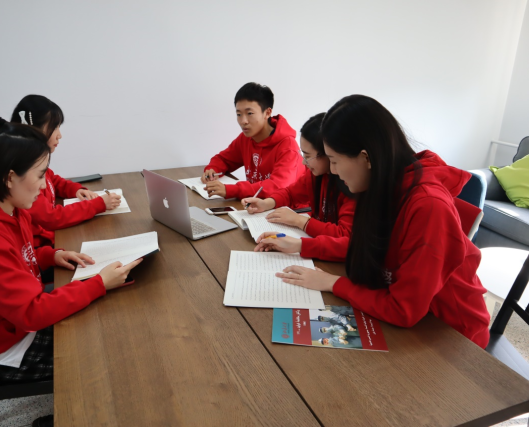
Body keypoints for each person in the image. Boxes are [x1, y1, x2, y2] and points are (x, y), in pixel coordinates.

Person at [0, 106, 142, 427]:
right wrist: (97, 283)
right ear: (9, 178)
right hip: (0, 351)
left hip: (11, 323)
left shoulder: (8, 208)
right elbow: (32, 312)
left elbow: (17, 263)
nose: (45, 187)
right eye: (40, 175)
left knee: (107, 322)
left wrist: (48, 257)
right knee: (106, 353)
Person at [275, 95, 490, 349]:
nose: (332, 171)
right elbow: (362, 245)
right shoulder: (378, 185)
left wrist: (333, 283)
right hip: (407, 315)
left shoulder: (428, 206)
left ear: (366, 158)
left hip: (451, 335)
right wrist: (304, 248)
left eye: (334, 161)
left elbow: (403, 310)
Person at [10, 95, 121, 249]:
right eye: (54, 127)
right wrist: (98, 204)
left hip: (52, 242)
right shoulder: (24, 176)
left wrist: (75, 190)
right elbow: (51, 217)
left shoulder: (33, 164)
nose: (59, 135)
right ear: (35, 130)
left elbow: (53, 180)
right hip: (41, 249)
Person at [244, 113, 356, 261]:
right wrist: (266, 203)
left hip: (338, 259)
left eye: (308, 156)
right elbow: (291, 193)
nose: (304, 162)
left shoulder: (351, 184)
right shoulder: (315, 175)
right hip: (319, 249)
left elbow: (345, 236)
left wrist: (299, 221)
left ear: (328, 153)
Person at [201, 82, 304, 199]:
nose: (243, 121)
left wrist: (232, 190)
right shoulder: (246, 138)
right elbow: (224, 159)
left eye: (249, 113)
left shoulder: (288, 146)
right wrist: (212, 170)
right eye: (239, 114)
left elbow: (277, 187)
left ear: (267, 113)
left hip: (289, 208)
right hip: (256, 204)